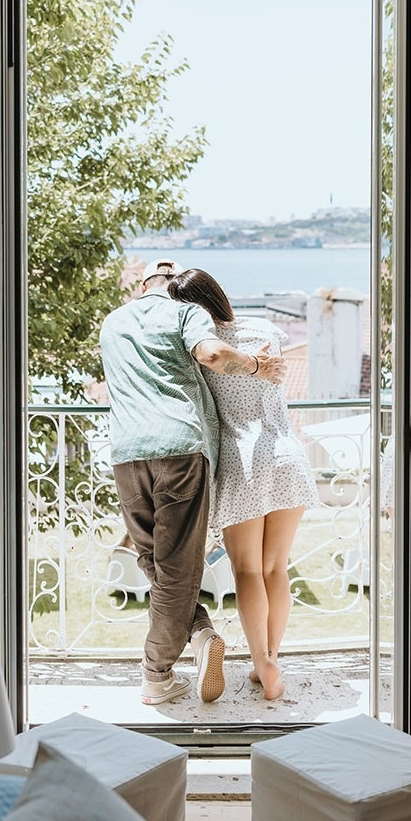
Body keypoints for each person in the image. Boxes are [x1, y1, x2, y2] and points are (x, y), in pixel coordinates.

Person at [99, 258, 285, 706]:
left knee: (154, 561)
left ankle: (200, 634)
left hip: (126, 454)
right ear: (173, 286)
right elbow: (212, 354)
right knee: (179, 570)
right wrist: (256, 366)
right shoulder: (184, 312)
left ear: (143, 286)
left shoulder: (113, 322)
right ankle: (157, 673)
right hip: (180, 450)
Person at [168, 268, 319, 701]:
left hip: (242, 460)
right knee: (276, 568)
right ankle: (269, 660)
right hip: (287, 453)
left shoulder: (200, 347)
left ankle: (263, 663)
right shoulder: (266, 329)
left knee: (248, 570)